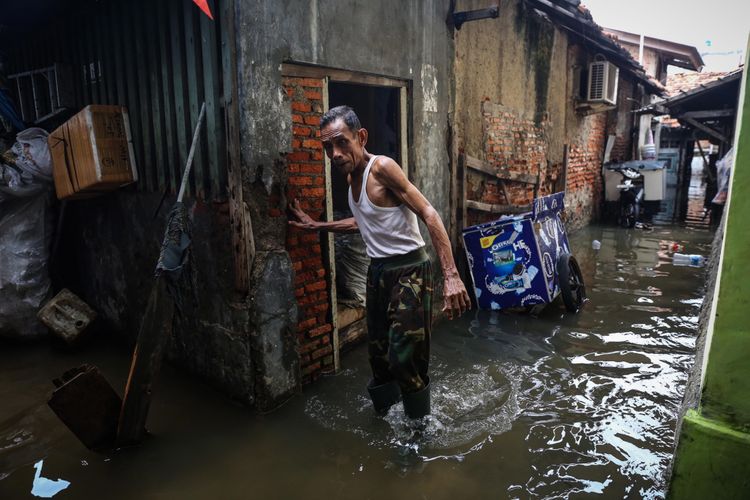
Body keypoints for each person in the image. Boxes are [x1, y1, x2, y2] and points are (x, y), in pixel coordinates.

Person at [289, 105, 470, 419]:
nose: (335, 153)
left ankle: (418, 431)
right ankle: (385, 420)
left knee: (405, 358)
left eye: (341, 142)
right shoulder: (351, 180)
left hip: (409, 269)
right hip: (378, 272)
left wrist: (451, 275)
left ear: (361, 137)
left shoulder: (382, 168)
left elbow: (428, 212)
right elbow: (365, 222)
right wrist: (317, 227)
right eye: (328, 147)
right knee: (378, 357)